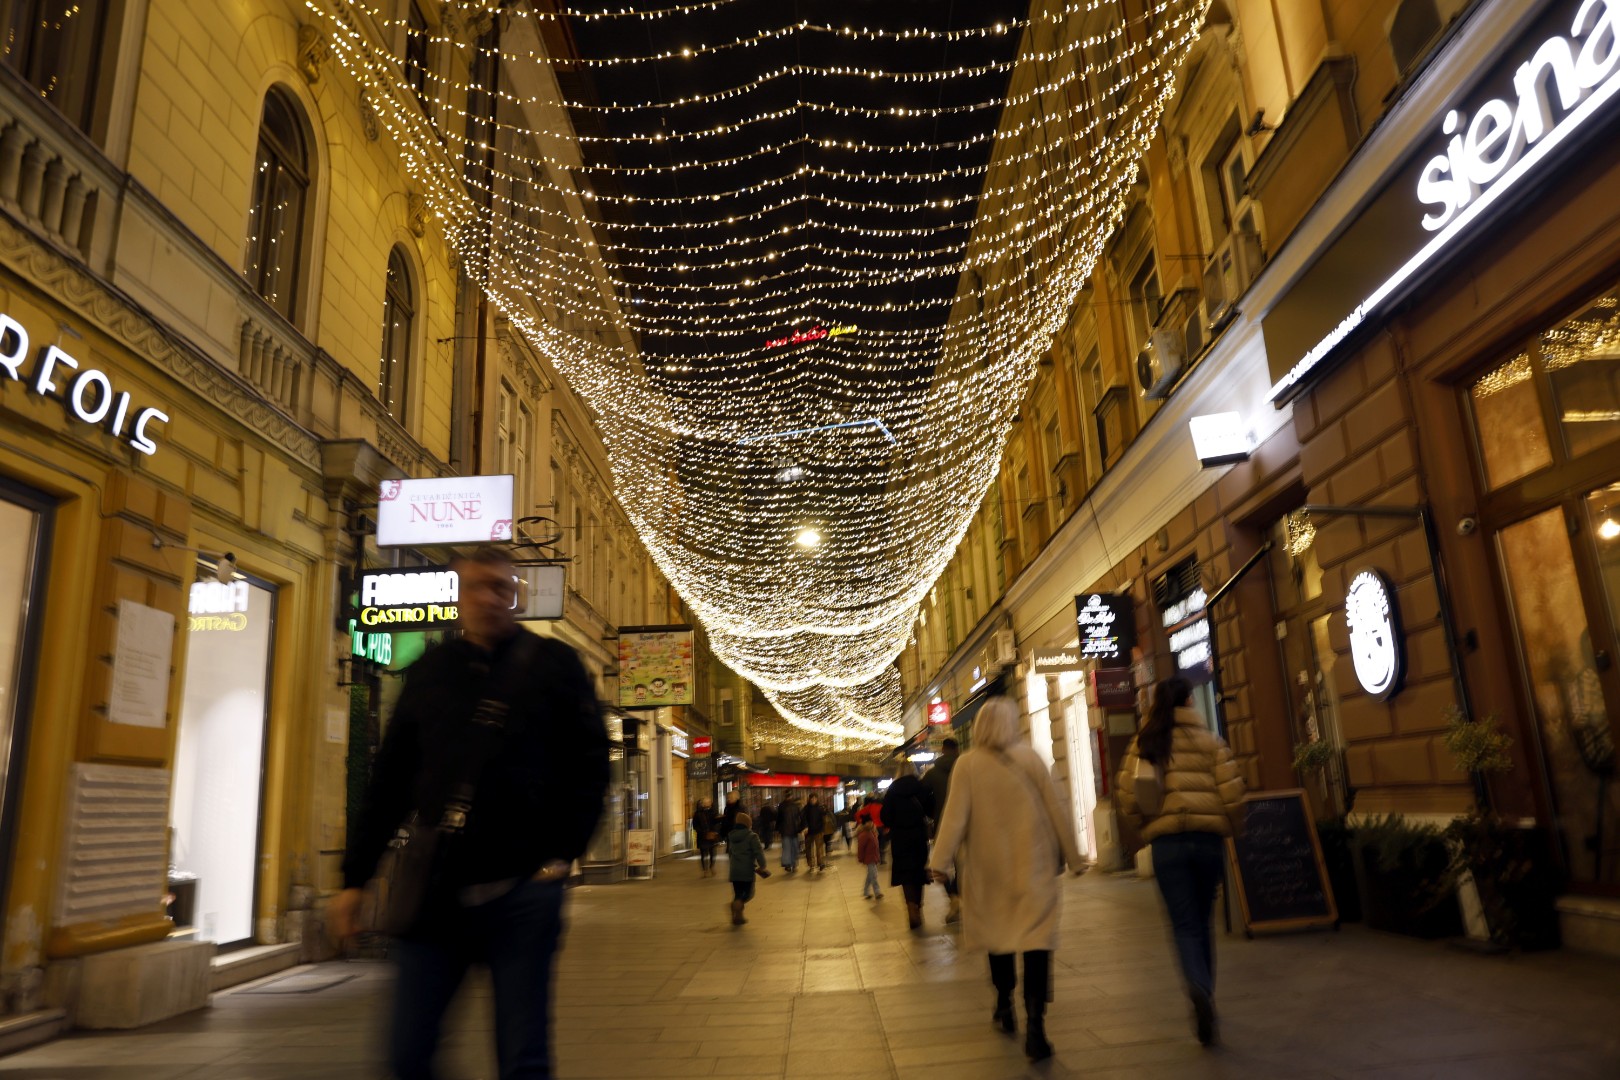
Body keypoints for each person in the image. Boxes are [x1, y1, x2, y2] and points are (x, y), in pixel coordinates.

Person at [330, 545, 610, 1080]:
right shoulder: (431, 671)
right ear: (457, 597)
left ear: (516, 597)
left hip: (522, 892)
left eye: (499, 588)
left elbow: (590, 766)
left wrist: (560, 858)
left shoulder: (555, 667)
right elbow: (390, 780)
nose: (487, 598)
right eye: (475, 587)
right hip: (437, 891)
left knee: (522, 1055)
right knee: (407, 1053)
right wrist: (354, 879)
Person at [927, 696, 1083, 1062]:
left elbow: (954, 818)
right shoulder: (1032, 759)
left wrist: (940, 862)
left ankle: (1004, 1004)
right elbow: (1057, 810)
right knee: (1037, 944)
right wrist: (1074, 858)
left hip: (988, 874)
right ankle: (1037, 1028)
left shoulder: (967, 765)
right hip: (1035, 870)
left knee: (998, 941)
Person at [1116, 676, 1247, 1048]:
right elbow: (1233, 794)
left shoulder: (1146, 742)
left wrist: (1147, 828)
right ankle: (1205, 990)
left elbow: (1127, 796)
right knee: (1204, 923)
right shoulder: (1210, 741)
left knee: (1184, 925)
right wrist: (1232, 830)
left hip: (1167, 845)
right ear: (1190, 701)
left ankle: (1196, 986)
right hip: (1206, 842)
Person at [882, 760, 934, 929]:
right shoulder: (921, 787)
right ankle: (918, 907)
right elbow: (931, 810)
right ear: (914, 770)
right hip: (918, 836)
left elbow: (885, 817)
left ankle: (911, 907)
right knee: (918, 872)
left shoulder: (892, 790)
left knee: (906, 875)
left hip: (900, 838)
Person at [919, 738, 962, 923]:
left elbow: (921, 798)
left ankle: (953, 897)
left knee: (941, 866)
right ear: (957, 749)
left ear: (943, 749)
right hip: (966, 825)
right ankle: (961, 897)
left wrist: (934, 812)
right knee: (964, 866)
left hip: (943, 824)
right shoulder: (966, 767)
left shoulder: (932, 774)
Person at [726, 811, 768, 925]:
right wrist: (763, 865)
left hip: (735, 871)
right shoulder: (752, 836)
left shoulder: (732, 836)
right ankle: (736, 906)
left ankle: (738, 916)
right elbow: (758, 852)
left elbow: (730, 853)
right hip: (747, 871)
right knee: (749, 894)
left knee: (738, 894)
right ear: (748, 824)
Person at [692, 798, 719, 877]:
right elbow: (695, 825)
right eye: (705, 802)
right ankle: (705, 870)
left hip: (712, 835)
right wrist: (703, 832)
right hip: (702, 836)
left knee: (713, 853)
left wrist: (714, 831)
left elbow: (717, 823)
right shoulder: (697, 813)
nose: (707, 804)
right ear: (702, 804)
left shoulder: (714, 812)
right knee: (703, 854)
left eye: (708, 802)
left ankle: (712, 866)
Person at [856, 818, 883, 899]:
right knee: (873, 875)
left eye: (871, 822)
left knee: (870, 875)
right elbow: (860, 848)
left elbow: (876, 847)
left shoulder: (872, 832)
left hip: (873, 857)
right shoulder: (864, 834)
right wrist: (860, 858)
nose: (870, 823)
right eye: (868, 822)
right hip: (869, 858)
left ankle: (866, 892)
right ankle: (877, 892)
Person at [777, 792, 803, 873]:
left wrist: (778, 829)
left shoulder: (782, 806)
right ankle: (791, 864)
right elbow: (800, 817)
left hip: (789, 831)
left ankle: (789, 864)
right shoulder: (793, 806)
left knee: (788, 848)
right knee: (792, 848)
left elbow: (778, 819)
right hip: (791, 831)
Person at [804, 793, 828, 873]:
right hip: (809, 832)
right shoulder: (806, 809)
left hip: (818, 831)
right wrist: (805, 827)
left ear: (817, 799)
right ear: (809, 799)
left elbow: (823, 819)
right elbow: (803, 819)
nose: (813, 800)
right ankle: (811, 864)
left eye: (814, 798)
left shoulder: (820, 808)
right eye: (812, 798)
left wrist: (822, 829)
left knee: (819, 848)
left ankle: (820, 863)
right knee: (808, 849)